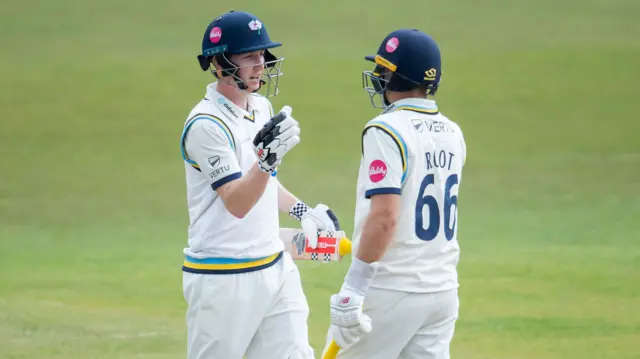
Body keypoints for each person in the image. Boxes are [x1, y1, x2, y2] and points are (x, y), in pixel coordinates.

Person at [179, 10, 341, 359]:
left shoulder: (262, 107)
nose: (261, 64)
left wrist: (303, 212)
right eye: (249, 56)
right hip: (223, 277)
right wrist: (267, 162)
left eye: (263, 55)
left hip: (274, 266)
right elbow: (237, 202)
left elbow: (264, 184)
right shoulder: (205, 125)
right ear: (219, 63)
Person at [324, 28, 467, 359]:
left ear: (398, 78)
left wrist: (354, 288)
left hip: (391, 289)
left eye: (384, 70)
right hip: (442, 289)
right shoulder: (453, 132)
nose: (378, 77)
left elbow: (386, 216)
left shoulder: (385, 129)